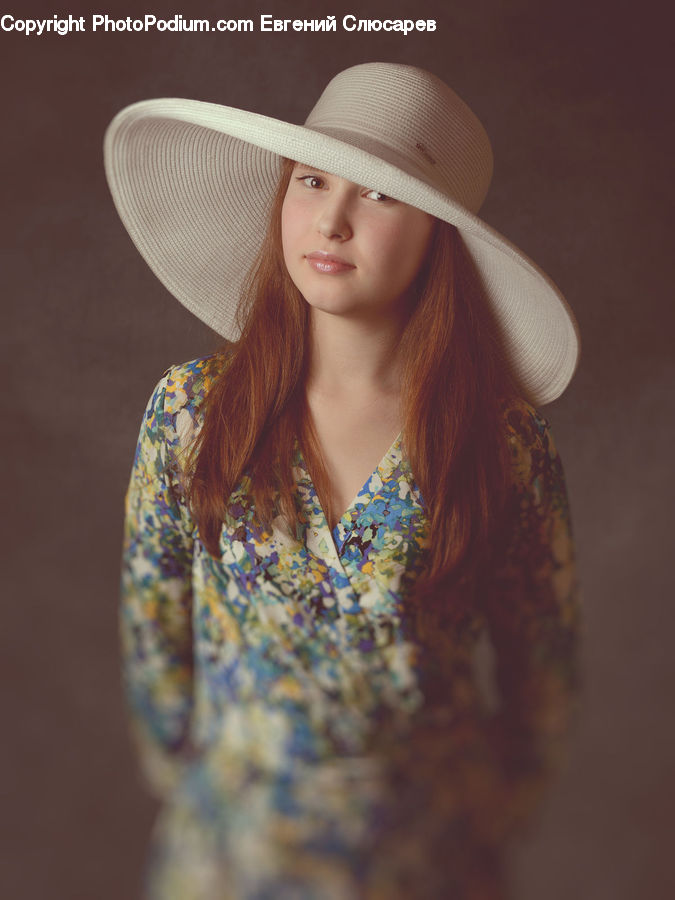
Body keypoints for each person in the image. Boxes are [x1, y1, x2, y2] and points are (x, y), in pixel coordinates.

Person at [105, 62, 583, 899]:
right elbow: (153, 624)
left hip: (423, 851)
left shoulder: (500, 441)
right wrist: (189, 770)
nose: (330, 220)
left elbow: (541, 657)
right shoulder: (192, 411)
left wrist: (499, 807)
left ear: (439, 233)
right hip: (232, 845)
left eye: (379, 194)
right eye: (311, 180)